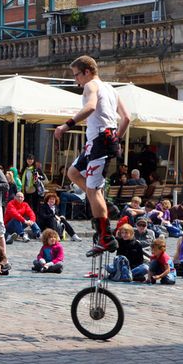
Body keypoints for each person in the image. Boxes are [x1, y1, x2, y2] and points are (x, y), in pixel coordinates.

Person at [54, 55, 130, 256]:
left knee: (94, 190)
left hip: (99, 143)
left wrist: (66, 125)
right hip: (97, 143)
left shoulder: (91, 86)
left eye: (76, 75)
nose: (76, 80)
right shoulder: (111, 89)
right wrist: (117, 138)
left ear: (87, 71)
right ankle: (103, 205)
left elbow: (90, 107)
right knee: (72, 172)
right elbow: (127, 118)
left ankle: (105, 237)